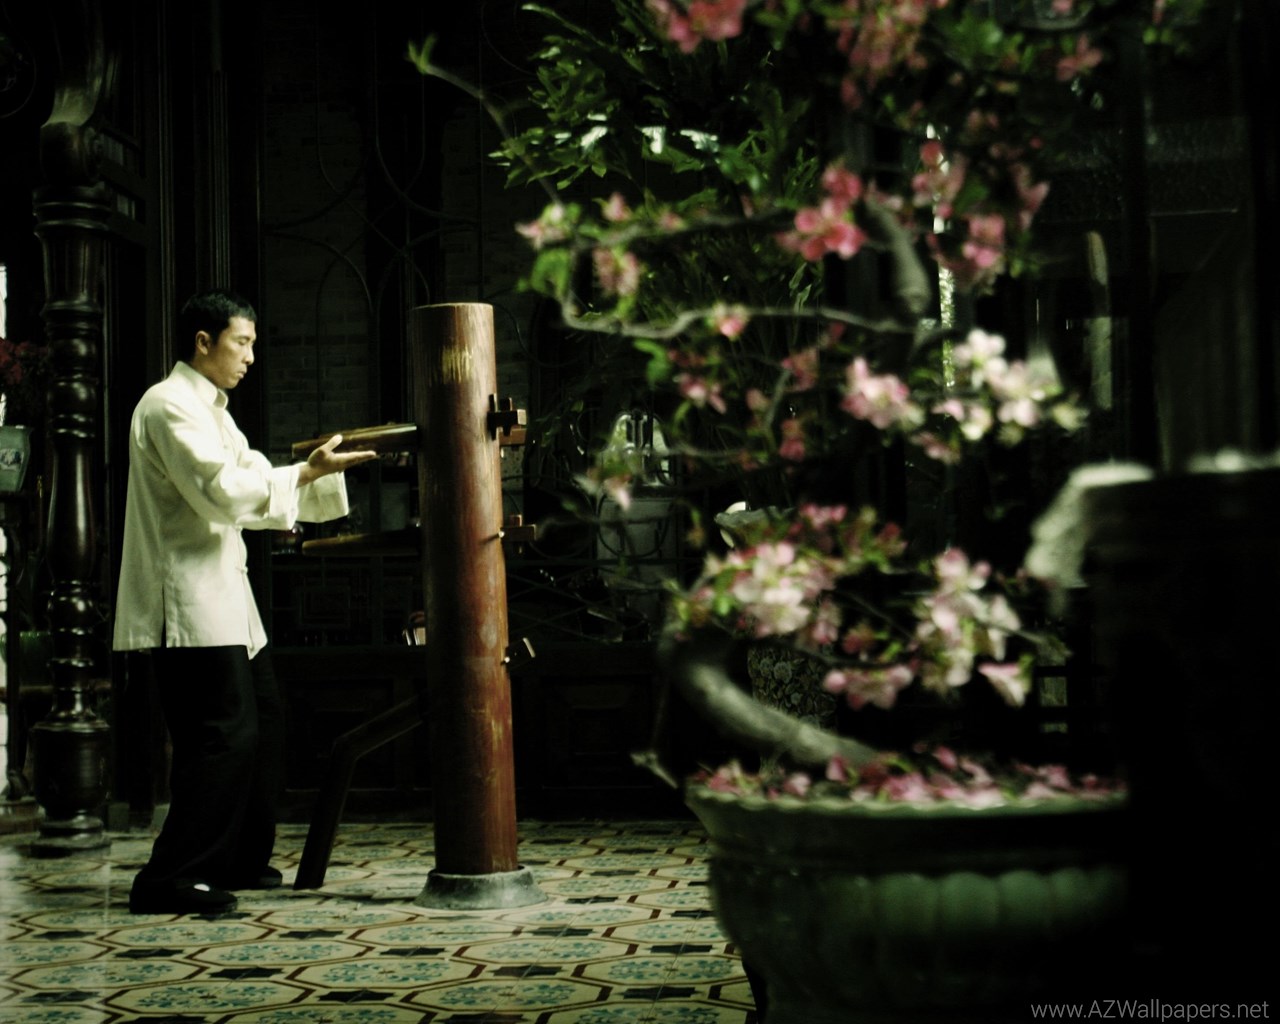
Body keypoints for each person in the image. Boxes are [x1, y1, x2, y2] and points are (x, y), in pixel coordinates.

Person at [114, 288, 376, 915]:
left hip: (227, 599)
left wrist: (314, 475)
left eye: (253, 344)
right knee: (221, 738)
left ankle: (236, 859)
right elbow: (222, 491)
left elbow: (252, 476)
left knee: (265, 724)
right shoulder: (167, 405)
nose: (251, 357)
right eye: (242, 342)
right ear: (203, 342)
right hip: (186, 604)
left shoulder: (214, 410)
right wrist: (304, 474)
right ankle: (169, 878)